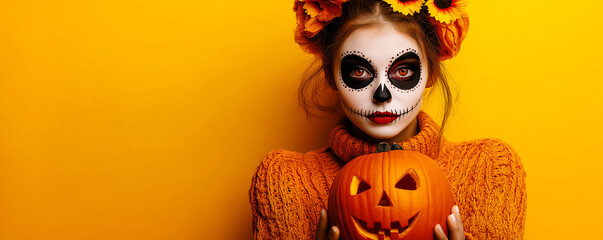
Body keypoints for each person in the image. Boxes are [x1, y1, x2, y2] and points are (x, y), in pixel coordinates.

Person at [249, 0, 527, 239]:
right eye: (359, 72)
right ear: (330, 74)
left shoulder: (489, 170)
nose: (382, 94)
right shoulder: (286, 181)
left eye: (403, 71)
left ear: (431, 72)